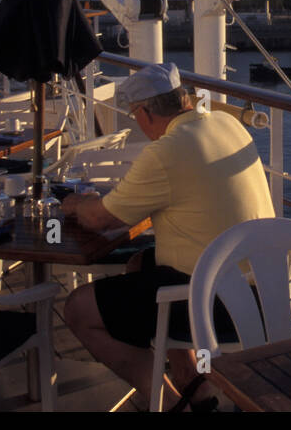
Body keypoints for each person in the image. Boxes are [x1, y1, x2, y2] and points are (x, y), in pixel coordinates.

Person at [62, 62, 274, 411]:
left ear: (143, 112)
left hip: (217, 303)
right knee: (139, 264)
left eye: (134, 116)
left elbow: (101, 219)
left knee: (78, 309)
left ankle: (172, 404)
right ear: (183, 99)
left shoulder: (166, 151)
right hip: (265, 288)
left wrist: (73, 204)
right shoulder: (226, 123)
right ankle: (194, 384)